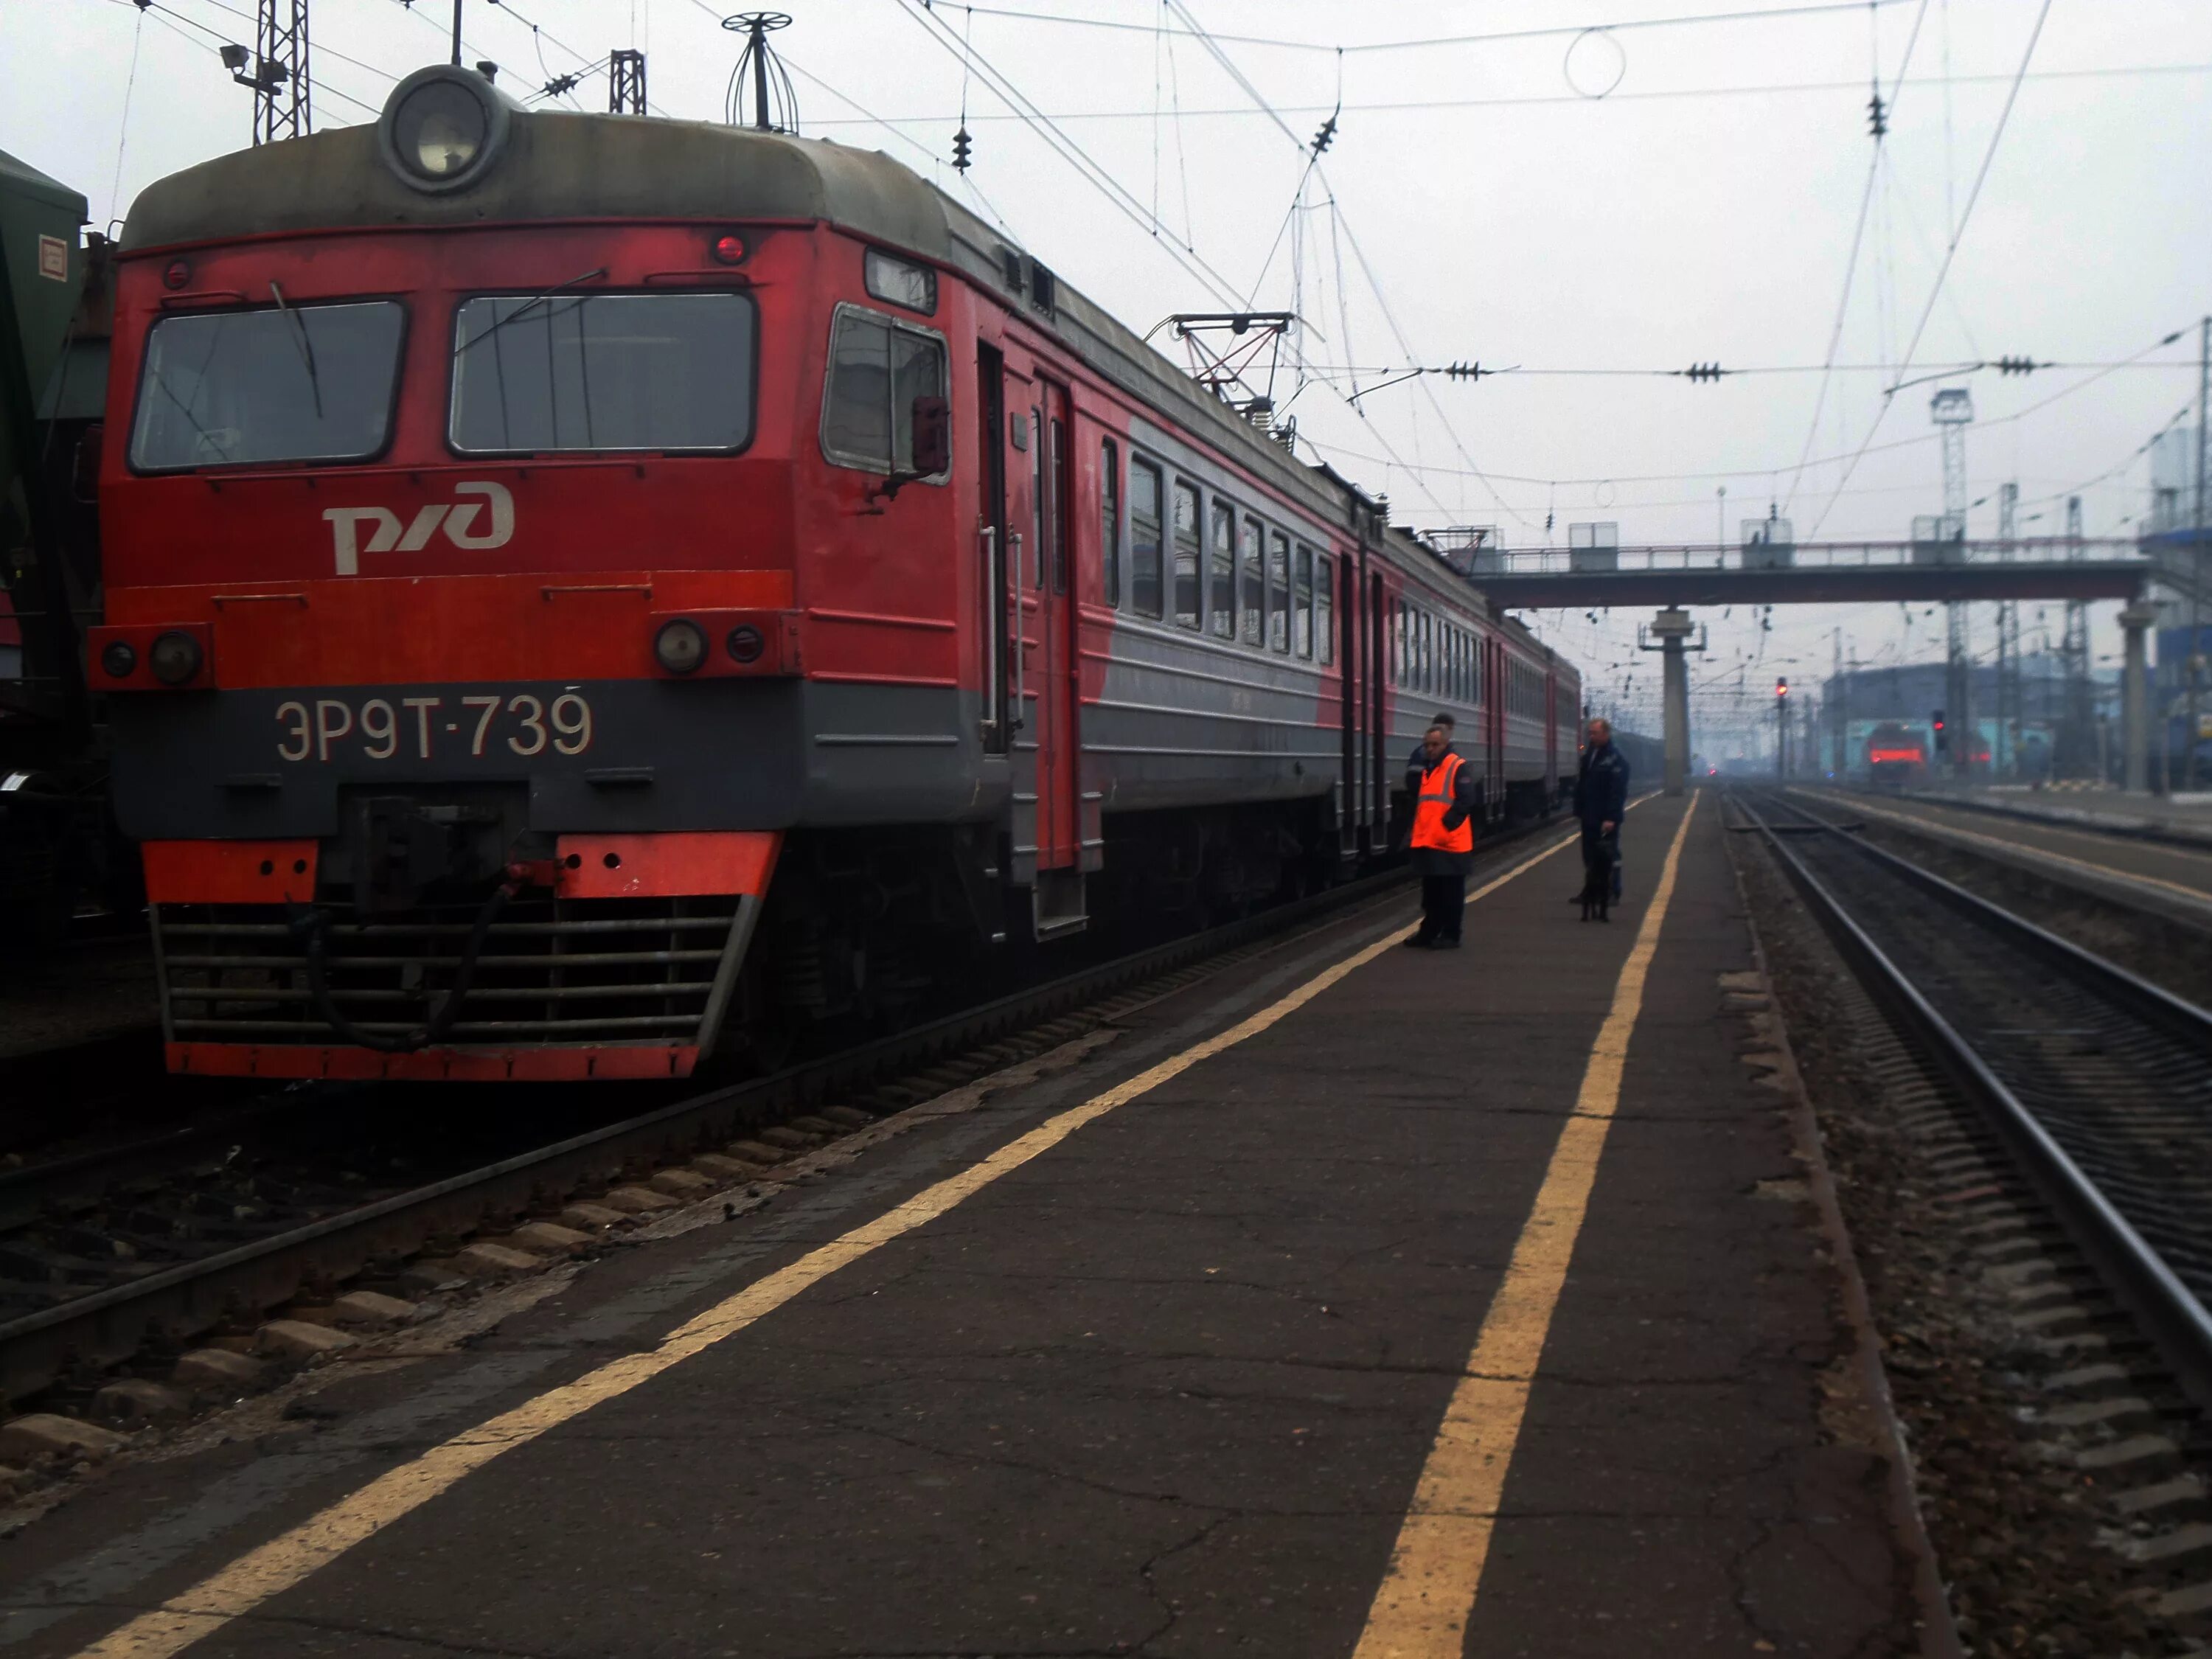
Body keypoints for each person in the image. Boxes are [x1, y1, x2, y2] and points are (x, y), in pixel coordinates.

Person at [1405, 718, 1477, 948]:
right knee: (1432, 894)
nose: (1429, 749)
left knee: (1451, 894)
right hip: (1430, 841)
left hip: (1451, 843)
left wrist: (1448, 824)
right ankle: (1429, 932)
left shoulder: (1457, 766)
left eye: (1434, 745)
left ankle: (1451, 935)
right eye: (1427, 745)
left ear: (1446, 744)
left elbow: (1466, 800)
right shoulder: (1429, 769)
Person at [1571, 717, 1630, 919]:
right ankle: (1591, 891)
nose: (1591, 736)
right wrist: (1578, 809)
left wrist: (1611, 817)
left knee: (1609, 857)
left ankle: (1613, 891)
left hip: (1605, 818)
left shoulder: (1615, 759)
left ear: (1606, 734)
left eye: (1595, 733)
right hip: (1589, 815)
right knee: (1589, 856)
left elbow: (1617, 792)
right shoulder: (1591, 755)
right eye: (1590, 733)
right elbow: (1583, 785)